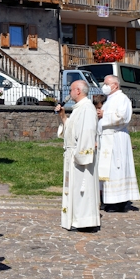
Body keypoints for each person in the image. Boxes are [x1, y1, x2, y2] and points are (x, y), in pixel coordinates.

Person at [56, 80, 100, 232]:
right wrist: (63, 117)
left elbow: (87, 133)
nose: (69, 93)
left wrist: (80, 155)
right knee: (75, 189)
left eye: (71, 90)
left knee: (83, 188)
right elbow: (72, 130)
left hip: (80, 156)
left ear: (78, 91)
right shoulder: (78, 109)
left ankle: (85, 222)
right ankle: (76, 219)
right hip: (72, 154)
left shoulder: (87, 108)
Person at [97, 75, 140, 212]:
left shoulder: (122, 99)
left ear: (115, 85)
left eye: (106, 83)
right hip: (107, 138)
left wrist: (104, 115)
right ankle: (109, 199)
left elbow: (123, 117)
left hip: (117, 139)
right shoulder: (109, 100)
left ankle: (118, 201)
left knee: (117, 168)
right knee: (108, 170)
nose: (104, 86)